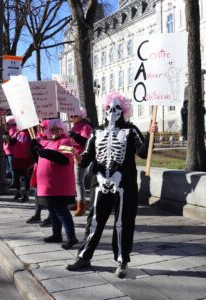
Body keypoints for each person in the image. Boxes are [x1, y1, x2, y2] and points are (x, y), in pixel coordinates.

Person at [66, 91, 157, 278]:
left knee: (123, 223)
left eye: (116, 108)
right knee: (94, 221)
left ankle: (122, 260)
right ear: (104, 109)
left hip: (124, 185)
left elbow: (142, 152)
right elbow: (87, 158)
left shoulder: (130, 131)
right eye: (108, 108)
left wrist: (150, 135)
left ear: (123, 111)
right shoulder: (97, 132)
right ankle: (84, 256)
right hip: (99, 183)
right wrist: (78, 158)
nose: (112, 111)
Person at [30, 119, 78, 249]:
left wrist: (48, 153)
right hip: (48, 185)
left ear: (62, 130)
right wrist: (36, 149)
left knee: (61, 211)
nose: (54, 131)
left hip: (59, 184)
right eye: (52, 129)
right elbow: (40, 158)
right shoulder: (48, 142)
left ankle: (71, 237)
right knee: (52, 210)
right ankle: (56, 234)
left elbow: (64, 160)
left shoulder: (65, 141)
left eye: (57, 129)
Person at [69, 108, 93, 216]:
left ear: (81, 115)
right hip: (71, 156)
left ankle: (81, 205)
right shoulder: (73, 127)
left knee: (79, 181)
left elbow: (85, 142)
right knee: (73, 181)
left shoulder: (86, 127)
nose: (73, 118)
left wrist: (74, 135)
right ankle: (75, 201)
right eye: (71, 116)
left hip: (81, 156)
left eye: (75, 116)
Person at [26, 120, 51, 226]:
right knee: (37, 193)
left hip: (49, 170)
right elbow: (35, 157)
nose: (41, 130)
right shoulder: (38, 138)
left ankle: (51, 217)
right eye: (40, 128)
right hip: (38, 168)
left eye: (44, 128)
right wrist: (32, 148)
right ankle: (37, 214)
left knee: (50, 194)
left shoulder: (52, 140)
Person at [10, 129, 32, 202]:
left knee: (26, 177)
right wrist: (7, 137)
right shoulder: (17, 133)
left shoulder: (31, 133)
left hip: (26, 158)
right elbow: (10, 142)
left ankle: (26, 194)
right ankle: (18, 192)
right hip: (16, 157)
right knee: (16, 177)